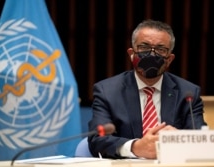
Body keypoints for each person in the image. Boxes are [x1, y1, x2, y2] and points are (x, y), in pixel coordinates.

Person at [88, 19, 207, 159]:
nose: (151, 54)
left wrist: (178, 139)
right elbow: (97, 140)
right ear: (131, 53)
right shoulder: (107, 91)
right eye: (144, 47)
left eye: (160, 49)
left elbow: (201, 139)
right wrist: (135, 147)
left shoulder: (188, 93)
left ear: (169, 59)